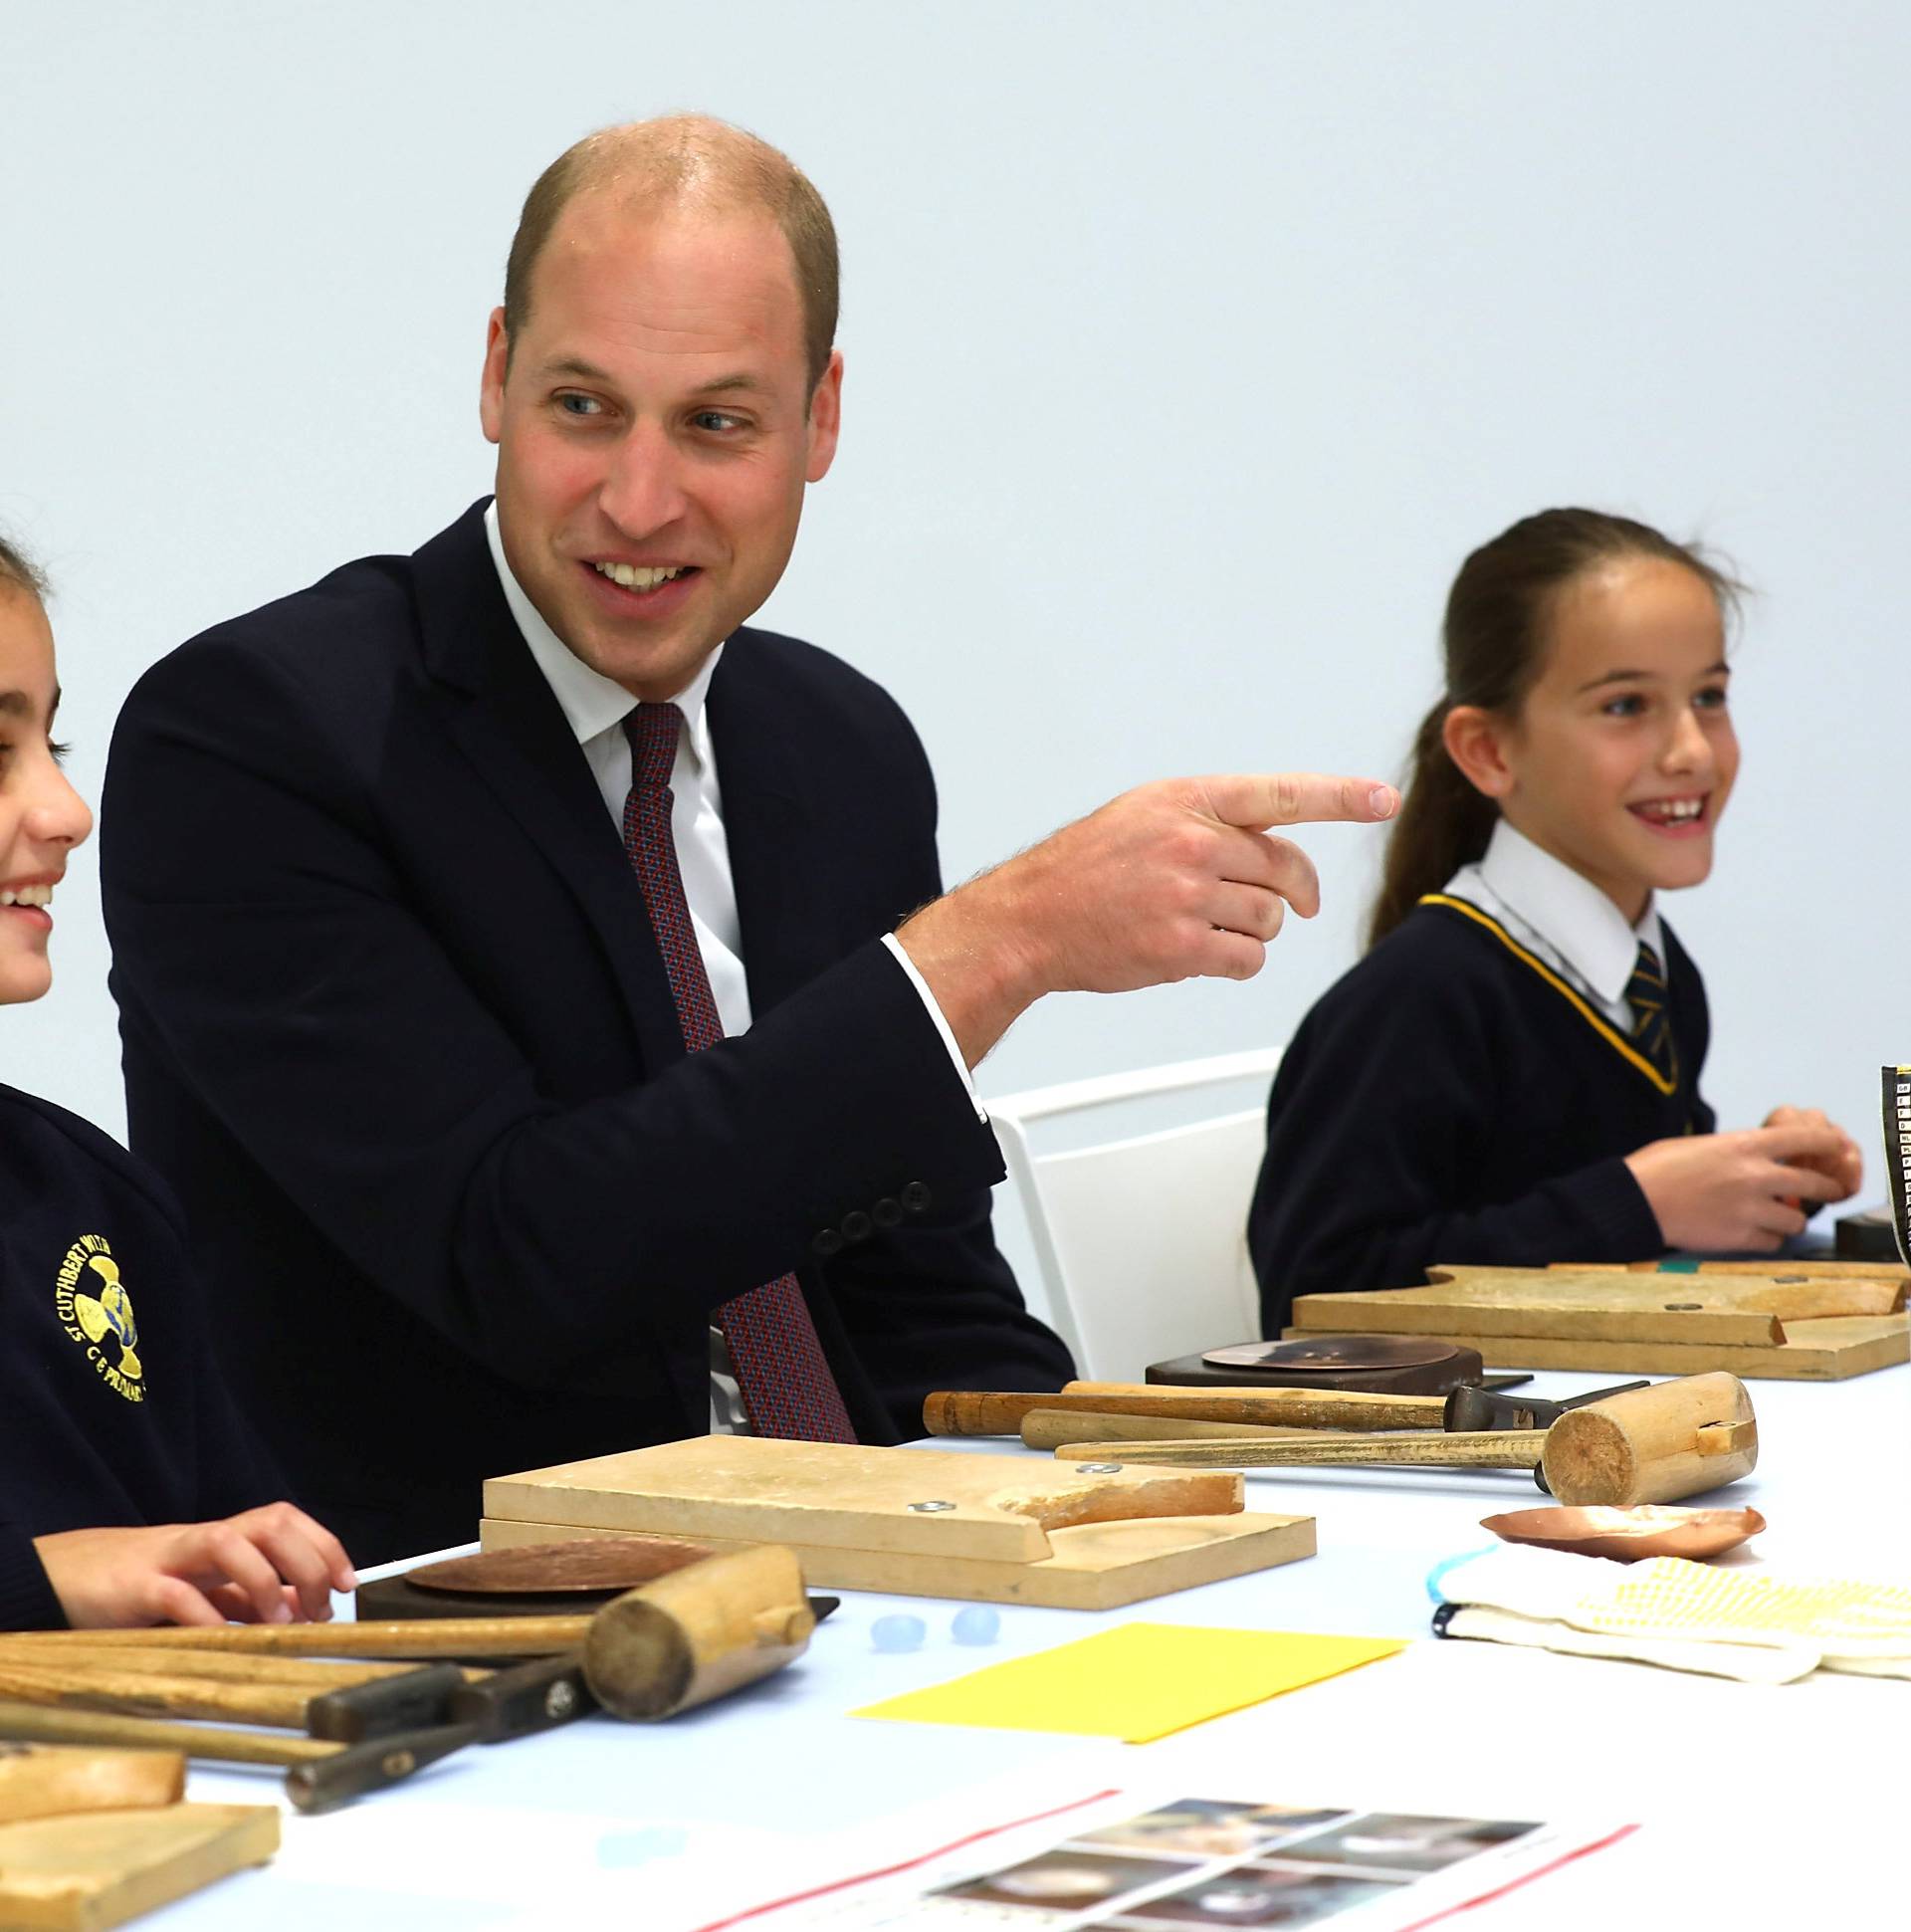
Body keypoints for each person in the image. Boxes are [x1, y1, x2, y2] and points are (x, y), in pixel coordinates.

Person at [100, 115, 1395, 1565]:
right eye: (584, 407)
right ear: (493, 373)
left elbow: (914, 1290)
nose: (639, 502)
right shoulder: (253, 737)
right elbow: (520, 1254)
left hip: (862, 1581)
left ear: (820, 418)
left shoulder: (837, 745)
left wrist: (1094, 1511)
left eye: (717, 423)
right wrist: (992, 948)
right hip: (479, 1617)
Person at [1249, 507, 1861, 1331]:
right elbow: (1312, 1292)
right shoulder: (1420, 999)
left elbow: (1644, 1251)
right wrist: (1639, 1203)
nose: (1692, 751)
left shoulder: (1657, 974)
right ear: (1491, 752)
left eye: (1709, 697)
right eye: (1625, 706)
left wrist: (1758, 1181)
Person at [0, 535, 355, 1628]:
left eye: (48, 741)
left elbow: (234, 1575)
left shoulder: (89, 1199)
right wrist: (42, 1586)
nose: (66, 811)